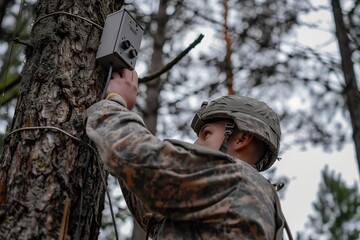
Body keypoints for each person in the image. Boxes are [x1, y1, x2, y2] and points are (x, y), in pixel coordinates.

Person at [85, 68, 291, 239]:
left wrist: (115, 103)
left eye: (206, 134)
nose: (196, 142)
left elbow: (138, 159)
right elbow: (153, 207)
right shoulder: (257, 204)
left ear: (240, 139)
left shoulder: (235, 179)